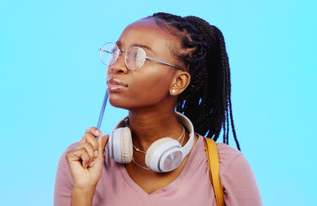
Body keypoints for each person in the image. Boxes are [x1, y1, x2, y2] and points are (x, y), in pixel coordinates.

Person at [54, 12, 262, 206]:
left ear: (178, 82)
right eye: (117, 52)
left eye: (137, 57)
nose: (116, 65)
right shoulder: (79, 162)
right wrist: (83, 191)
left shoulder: (226, 168)